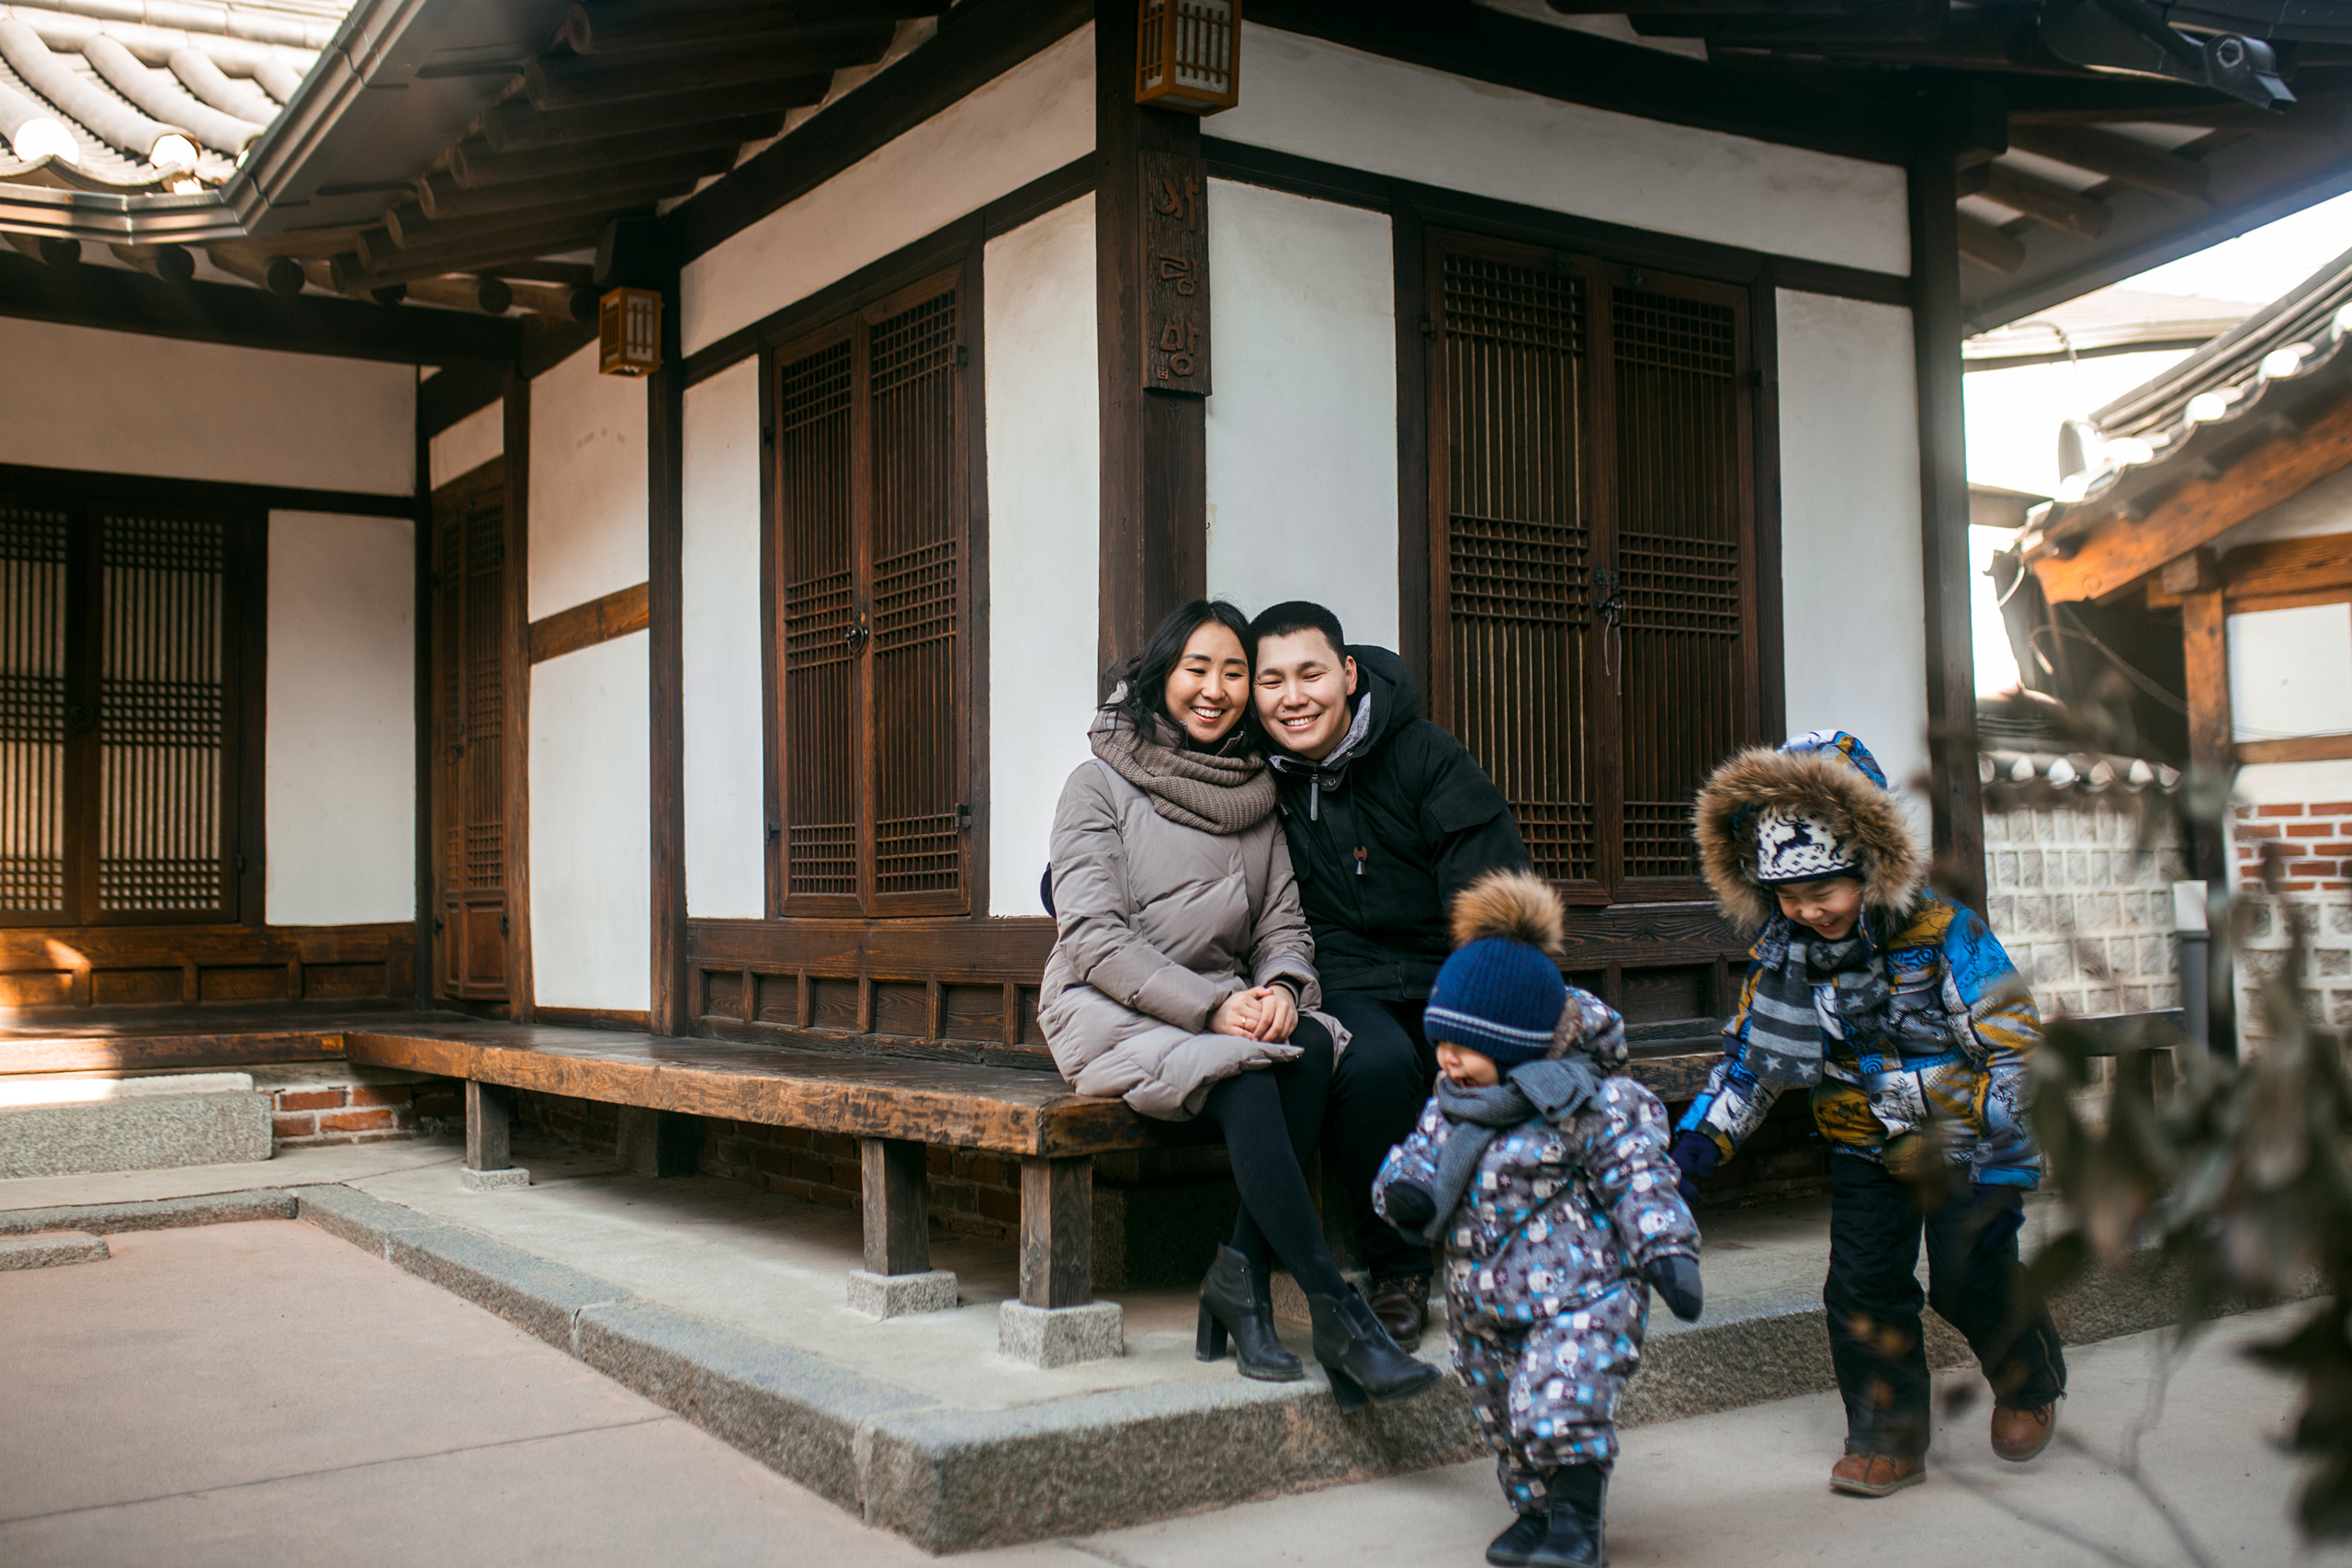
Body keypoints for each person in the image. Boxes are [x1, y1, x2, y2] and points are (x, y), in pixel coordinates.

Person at [1039, 599, 1439, 1409]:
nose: (1216, 689)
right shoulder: (1098, 782)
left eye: (1233, 671)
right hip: (1107, 1002)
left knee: (1318, 1047)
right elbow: (1092, 936)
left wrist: (1285, 991)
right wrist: (1217, 1011)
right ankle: (1337, 1313)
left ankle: (1239, 1275)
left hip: (1216, 1006)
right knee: (1250, 1071)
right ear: (1160, 676)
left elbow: (1284, 924)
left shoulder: (1254, 797)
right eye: (1198, 668)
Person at [1671, 729, 2066, 1496]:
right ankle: (1889, 1438)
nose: (1809, 910)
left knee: (1966, 1276)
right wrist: (1695, 1149)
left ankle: (2029, 1378)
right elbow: (1752, 1063)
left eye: (1826, 889)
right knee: (1861, 1288)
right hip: (1866, 1150)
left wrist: (1928, 1103)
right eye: (1788, 896)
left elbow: (2019, 1054)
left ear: (1872, 866)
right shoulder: (1786, 955)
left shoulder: (1947, 933)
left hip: (1975, 1144)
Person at [1374, 870, 1701, 1568]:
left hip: (1582, 1296)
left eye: (1464, 1045)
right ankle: (1537, 1509)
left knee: (1559, 1404)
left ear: (1519, 1039)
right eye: (1442, 1042)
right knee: (1504, 1417)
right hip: (1483, 1306)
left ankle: (1578, 1524)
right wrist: (1403, 1193)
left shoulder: (1587, 1102)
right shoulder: (1453, 1105)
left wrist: (1668, 1251)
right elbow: (1414, 1163)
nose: (1448, 1060)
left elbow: (1637, 1171)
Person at [1248, 600, 1532, 1348]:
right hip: (1342, 977)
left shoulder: (1423, 752)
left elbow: (1489, 878)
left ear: (1347, 673)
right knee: (1370, 1062)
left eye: (1310, 673)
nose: (1293, 696)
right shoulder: (1253, 775)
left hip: (1447, 968)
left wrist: (1478, 998)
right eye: (1272, 681)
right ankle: (1400, 1270)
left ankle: (1525, 1255)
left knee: (1500, 1063)